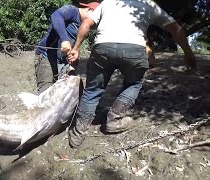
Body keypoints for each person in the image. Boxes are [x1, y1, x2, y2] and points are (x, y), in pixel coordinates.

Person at [67, 0, 196, 148]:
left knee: (92, 89)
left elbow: (85, 25)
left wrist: (76, 48)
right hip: (133, 49)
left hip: (102, 47)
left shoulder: (108, 2)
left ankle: (78, 133)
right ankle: (114, 120)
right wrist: (188, 53)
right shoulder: (148, 4)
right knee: (134, 83)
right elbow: (175, 29)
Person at [35, 1, 100, 94]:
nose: (95, 24)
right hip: (46, 57)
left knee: (63, 94)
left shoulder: (84, 26)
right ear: (90, 10)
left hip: (63, 61)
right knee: (45, 93)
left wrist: (74, 57)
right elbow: (56, 15)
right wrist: (65, 40)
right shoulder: (72, 11)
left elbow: (75, 44)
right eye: (96, 20)